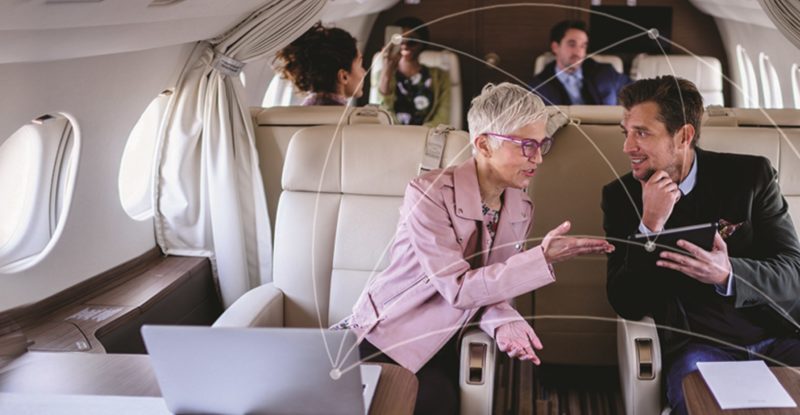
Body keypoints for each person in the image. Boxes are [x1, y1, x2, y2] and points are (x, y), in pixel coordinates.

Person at [338, 82, 614, 414]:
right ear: (483, 144)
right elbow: (457, 287)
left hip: (449, 341)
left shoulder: (520, 207)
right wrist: (541, 259)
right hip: (390, 334)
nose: (538, 158)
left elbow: (493, 283)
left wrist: (503, 317)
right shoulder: (428, 194)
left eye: (541, 145)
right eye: (526, 145)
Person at [602, 76, 800, 415]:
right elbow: (626, 302)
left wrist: (729, 273)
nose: (627, 147)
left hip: (780, 339)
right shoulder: (621, 197)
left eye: (642, 133)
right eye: (627, 133)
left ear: (684, 136)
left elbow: (793, 272)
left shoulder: (750, 177)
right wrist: (649, 226)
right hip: (699, 347)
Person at [530, 20, 630, 106]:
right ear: (555, 47)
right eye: (572, 44)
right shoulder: (538, 87)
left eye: (583, 46)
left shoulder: (606, 73)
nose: (579, 52)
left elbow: (637, 92)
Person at [375, 17, 451, 126]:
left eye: (412, 41)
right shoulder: (382, 75)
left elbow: (442, 117)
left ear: (422, 43)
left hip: (426, 138)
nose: (405, 45)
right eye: (400, 41)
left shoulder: (440, 76)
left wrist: (418, 137)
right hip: (392, 136)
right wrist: (387, 71)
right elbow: (381, 113)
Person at [274, 22, 366, 106]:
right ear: (343, 77)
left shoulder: (300, 112)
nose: (364, 72)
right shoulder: (350, 120)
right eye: (360, 65)